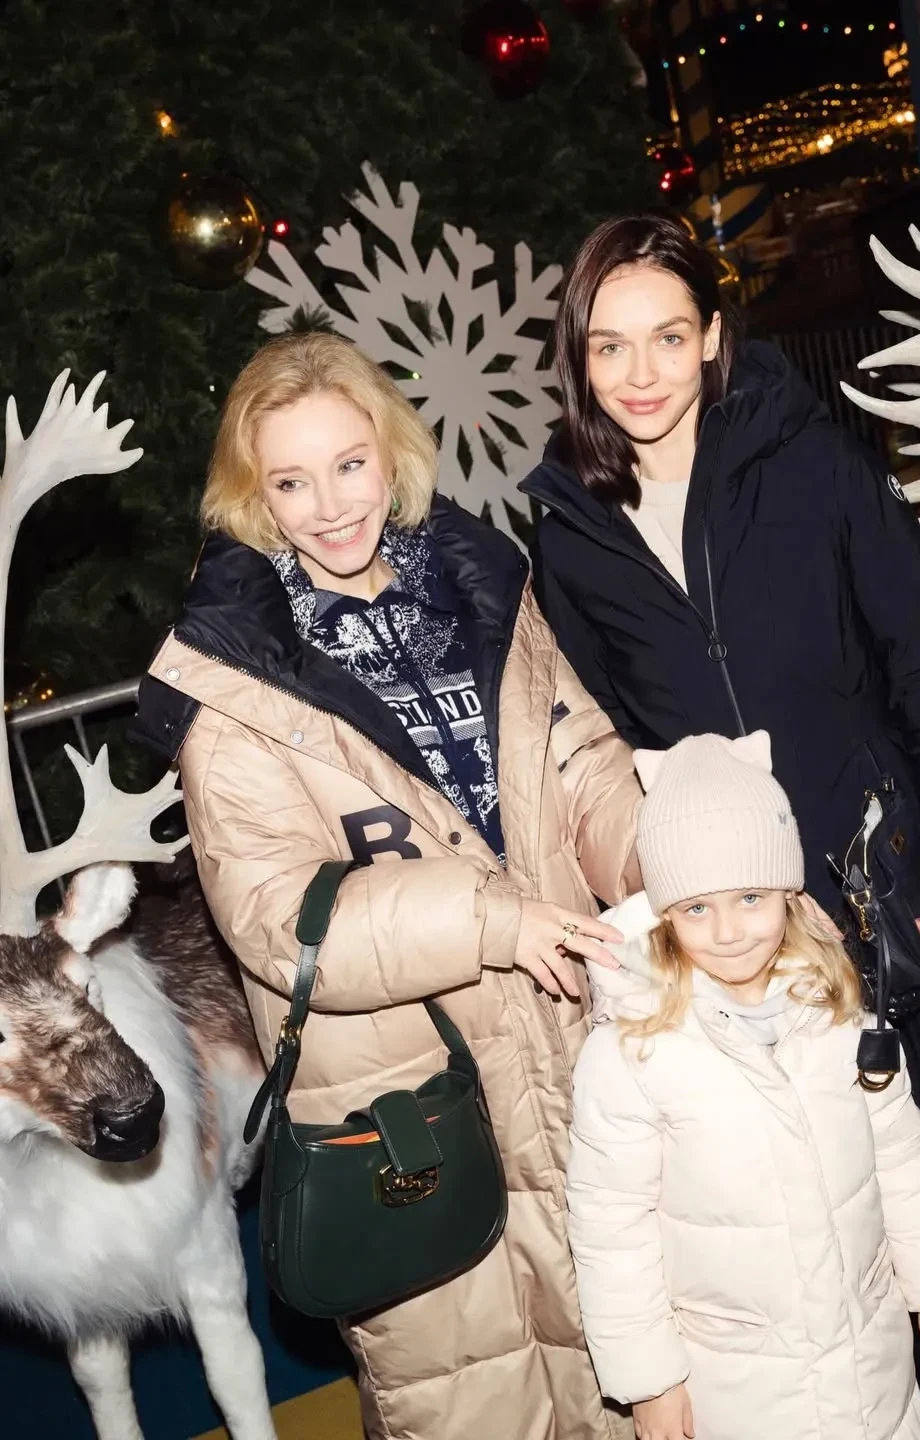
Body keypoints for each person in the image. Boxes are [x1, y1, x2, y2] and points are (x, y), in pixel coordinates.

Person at [519, 215, 920, 1440]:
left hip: (879, 914)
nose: (639, 374)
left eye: (667, 338)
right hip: (724, 948)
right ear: (578, 358)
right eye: (609, 346)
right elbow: (604, 757)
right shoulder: (568, 527)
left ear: (712, 338)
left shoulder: (815, 465)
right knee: (785, 1266)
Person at [132, 332, 645, 1440]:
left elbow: (583, 766)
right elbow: (276, 918)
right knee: (473, 1400)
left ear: (391, 452)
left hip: (572, 1045)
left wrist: (671, 860)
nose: (329, 507)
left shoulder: (484, 591)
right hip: (406, 1103)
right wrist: (494, 921)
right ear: (252, 494)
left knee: (624, 1368)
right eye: (291, 481)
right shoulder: (234, 677)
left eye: (349, 464)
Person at [566, 732, 920, 1440]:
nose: (728, 931)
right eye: (696, 907)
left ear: (790, 893)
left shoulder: (837, 1005)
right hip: (739, 1391)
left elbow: (901, 1153)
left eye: (751, 897)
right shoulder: (629, 1049)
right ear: (663, 912)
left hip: (872, 1366)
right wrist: (651, 1381)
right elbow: (611, 1230)